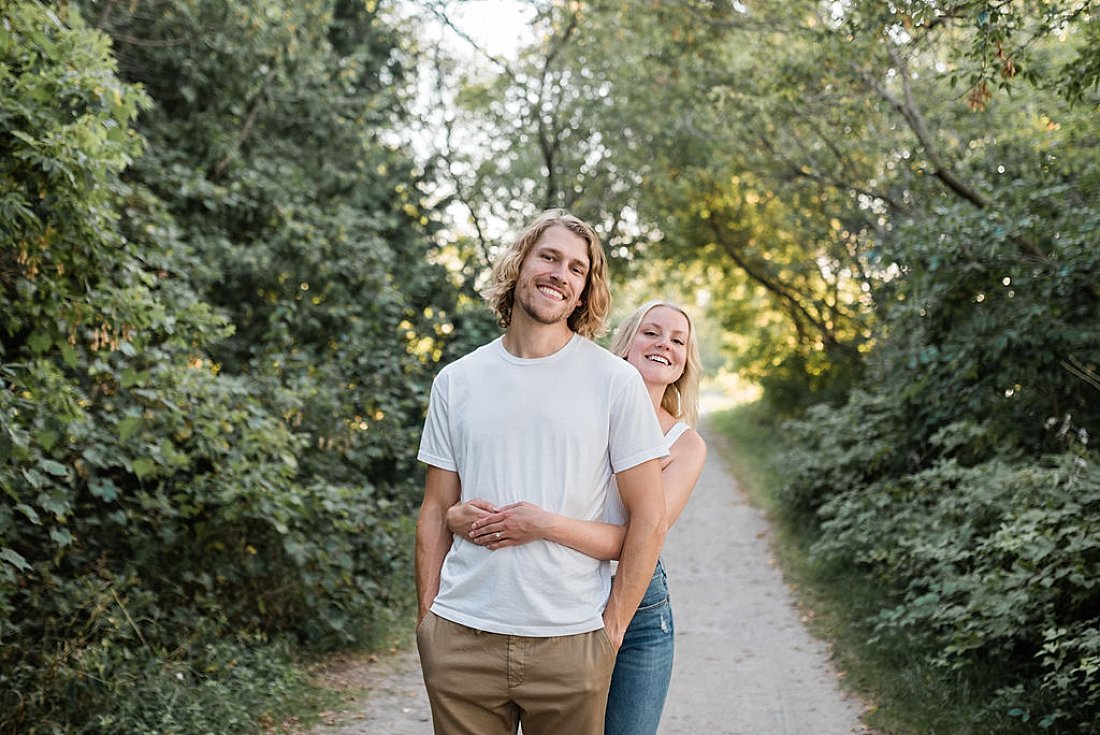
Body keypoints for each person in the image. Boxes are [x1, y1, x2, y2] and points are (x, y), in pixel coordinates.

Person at [414, 209, 669, 735]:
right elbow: (437, 510)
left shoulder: (614, 381)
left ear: (582, 294)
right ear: (519, 265)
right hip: (461, 635)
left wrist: (613, 628)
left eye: (577, 269)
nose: (560, 273)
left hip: (571, 640)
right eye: (548, 257)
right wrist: (428, 622)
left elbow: (650, 516)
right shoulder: (456, 381)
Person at [448, 300, 707, 735]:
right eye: (651, 332)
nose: (664, 344)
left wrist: (544, 525)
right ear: (626, 344)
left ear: (685, 363)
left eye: (678, 340)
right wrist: (459, 514)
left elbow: (639, 538)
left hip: (635, 602)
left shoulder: (685, 445)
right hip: (553, 592)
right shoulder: (575, 405)